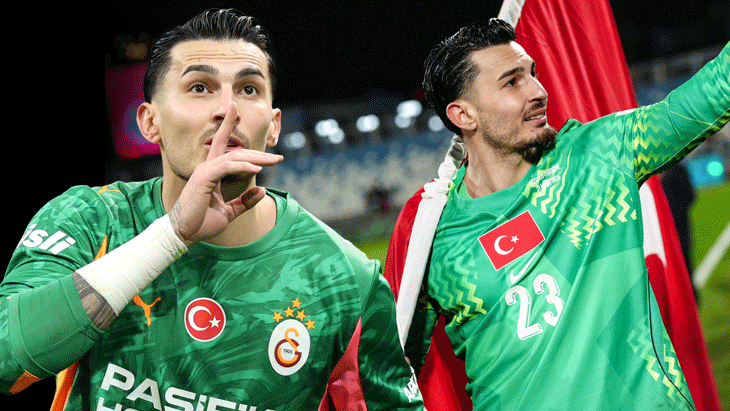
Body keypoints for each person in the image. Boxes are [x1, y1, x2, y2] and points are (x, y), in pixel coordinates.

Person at [0, 9, 423, 410]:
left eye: (248, 89)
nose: (227, 110)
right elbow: (7, 362)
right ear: (149, 122)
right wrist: (170, 236)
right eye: (199, 87)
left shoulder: (347, 277)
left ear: (274, 126)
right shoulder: (90, 219)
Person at [384, 18, 729, 410]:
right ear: (464, 115)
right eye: (512, 82)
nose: (538, 91)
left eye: (532, 74)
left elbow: (712, 92)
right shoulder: (433, 235)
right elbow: (393, 370)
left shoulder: (600, 156)